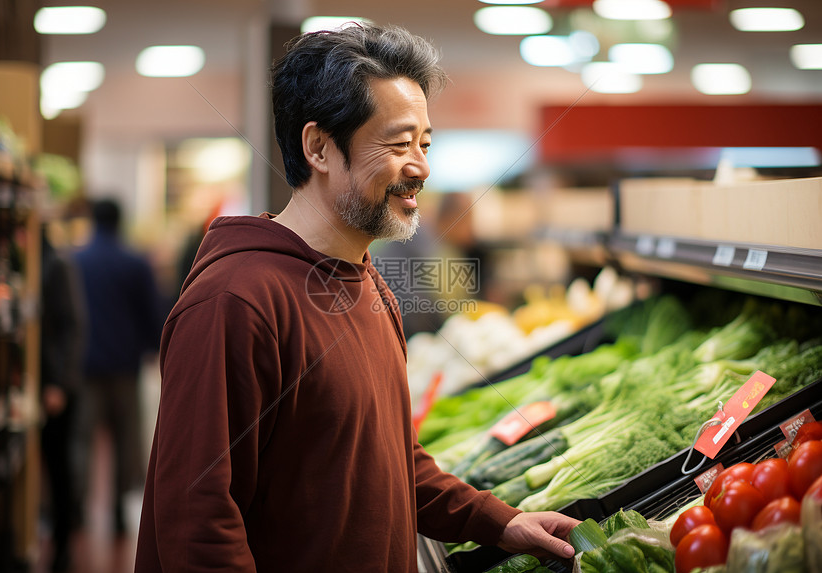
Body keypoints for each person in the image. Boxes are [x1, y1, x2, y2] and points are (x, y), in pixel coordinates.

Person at [135, 24, 579, 572]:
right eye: (398, 145)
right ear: (319, 148)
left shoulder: (369, 285)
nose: (421, 167)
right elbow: (195, 521)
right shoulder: (235, 301)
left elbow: (390, 459)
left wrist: (498, 521)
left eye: (424, 144)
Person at [73, 197, 164, 534]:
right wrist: (157, 348)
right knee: (126, 440)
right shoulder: (135, 263)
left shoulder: (76, 260)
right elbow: (151, 311)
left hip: (85, 366)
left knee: (82, 439)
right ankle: (117, 512)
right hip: (125, 365)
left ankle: (78, 511)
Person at [40, 228, 86, 572]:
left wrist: (58, 383)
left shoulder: (56, 264)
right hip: (38, 383)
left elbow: (72, 326)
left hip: (55, 386)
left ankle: (62, 545)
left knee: (59, 467)